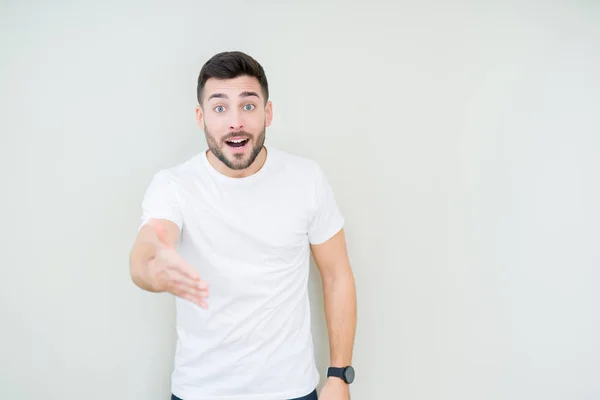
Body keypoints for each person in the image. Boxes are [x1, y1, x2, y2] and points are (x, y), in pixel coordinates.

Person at [129, 51, 357, 400]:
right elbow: (149, 248)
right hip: (200, 392)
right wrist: (150, 266)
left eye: (248, 106)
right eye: (219, 108)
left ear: (267, 113)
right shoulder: (174, 186)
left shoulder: (306, 179)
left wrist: (339, 375)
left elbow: (337, 274)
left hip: (292, 390)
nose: (235, 122)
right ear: (200, 117)